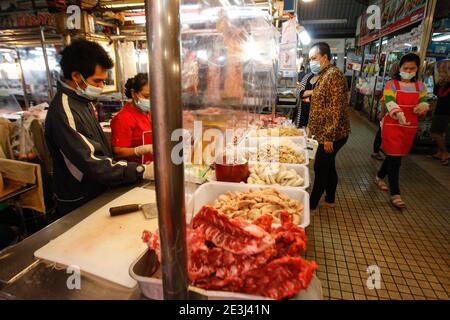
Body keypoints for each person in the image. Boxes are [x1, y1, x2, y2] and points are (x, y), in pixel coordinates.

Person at [45, 40, 154, 216]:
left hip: (97, 189)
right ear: (76, 76)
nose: (101, 88)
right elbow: (91, 161)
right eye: (97, 81)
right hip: (79, 197)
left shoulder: (84, 102)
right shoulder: (64, 111)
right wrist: (141, 170)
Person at [375, 53, 429, 208]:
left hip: (409, 126)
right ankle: (395, 193)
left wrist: (423, 106)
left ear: (417, 69)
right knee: (395, 160)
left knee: (394, 156)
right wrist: (398, 113)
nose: (409, 71)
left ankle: (379, 176)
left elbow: (424, 101)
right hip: (392, 126)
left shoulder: (421, 87)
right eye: (406, 68)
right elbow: (390, 100)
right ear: (400, 68)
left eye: (412, 68)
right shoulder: (391, 84)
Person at [308, 42, 351, 211]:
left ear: (324, 58)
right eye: (310, 59)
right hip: (324, 133)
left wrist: (328, 137)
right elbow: (324, 102)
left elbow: (336, 108)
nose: (311, 62)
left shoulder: (333, 75)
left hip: (332, 134)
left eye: (314, 58)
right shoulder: (325, 75)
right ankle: (330, 198)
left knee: (320, 167)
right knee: (329, 165)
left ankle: (311, 205)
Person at [111, 73, 153, 164]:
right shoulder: (123, 118)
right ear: (133, 93)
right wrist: (143, 149)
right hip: (136, 171)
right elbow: (118, 152)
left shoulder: (149, 112)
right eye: (146, 96)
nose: (151, 100)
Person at [430, 76, 450, 166]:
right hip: (440, 110)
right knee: (440, 133)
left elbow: (443, 95)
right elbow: (436, 93)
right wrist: (438, 83)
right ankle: (440, 152)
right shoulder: (444, 84)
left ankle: (445, 153)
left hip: (444, 112)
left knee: (434, 132)